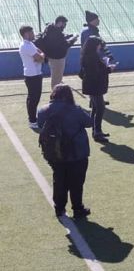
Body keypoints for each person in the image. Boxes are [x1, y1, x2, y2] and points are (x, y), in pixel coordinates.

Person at [37, 84, 92, 218]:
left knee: (59, 179)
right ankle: (78, 208)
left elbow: (40, 126)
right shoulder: (75, 110)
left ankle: (59, 208)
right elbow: (89, 122)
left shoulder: (42, 110)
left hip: (54, 153)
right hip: (76, 153)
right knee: (77, 182)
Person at [80, 36, 113, 143]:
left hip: (91, 85)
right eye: (99, 44)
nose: (100, 47)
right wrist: (108, 69)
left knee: (95, 108)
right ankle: (97, 132)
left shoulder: (87, 55)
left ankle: (96, 131)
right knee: (100, 108)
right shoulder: (92, 57)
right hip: (94, 86)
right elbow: (96, 72)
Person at [36, 16, 78, 88]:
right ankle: (55, 95)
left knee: (56, 77)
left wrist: (68, 36)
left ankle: (56, 93)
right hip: (57, 59)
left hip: (52, 58)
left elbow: (60, 39)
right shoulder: (56, 33)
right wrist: (74, 39)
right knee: (56, 80)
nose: (64, 26)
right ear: (60, 23)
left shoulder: (50, 29)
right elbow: (65, 44)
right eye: (64, 24)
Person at [19, 25, 45, 129]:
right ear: (26, 34)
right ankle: (32, 121)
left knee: (33, 98)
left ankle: (32, 117)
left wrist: (41, 56)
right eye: (32, 32)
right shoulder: (27, 46)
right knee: (33, 98)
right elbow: (40, 57)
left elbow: (40, 54)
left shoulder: (30, 44)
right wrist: (41, 56)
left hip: (35, 74)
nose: (33, 34)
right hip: (32, 75)